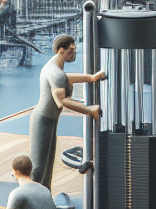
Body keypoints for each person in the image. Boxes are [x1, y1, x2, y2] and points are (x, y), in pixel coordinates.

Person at [30, 34, 105, 189]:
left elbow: (66, 78)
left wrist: (91, 78)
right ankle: (34, 201)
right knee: (39, 166)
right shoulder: (55, 72)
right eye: (71, 49)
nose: (75, 52)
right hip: (43, 120)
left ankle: (43, 197)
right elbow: (62, 101)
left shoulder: (56, 67)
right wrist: (89, 110)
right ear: (61, 50)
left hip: (48, 119)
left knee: (47, 163)